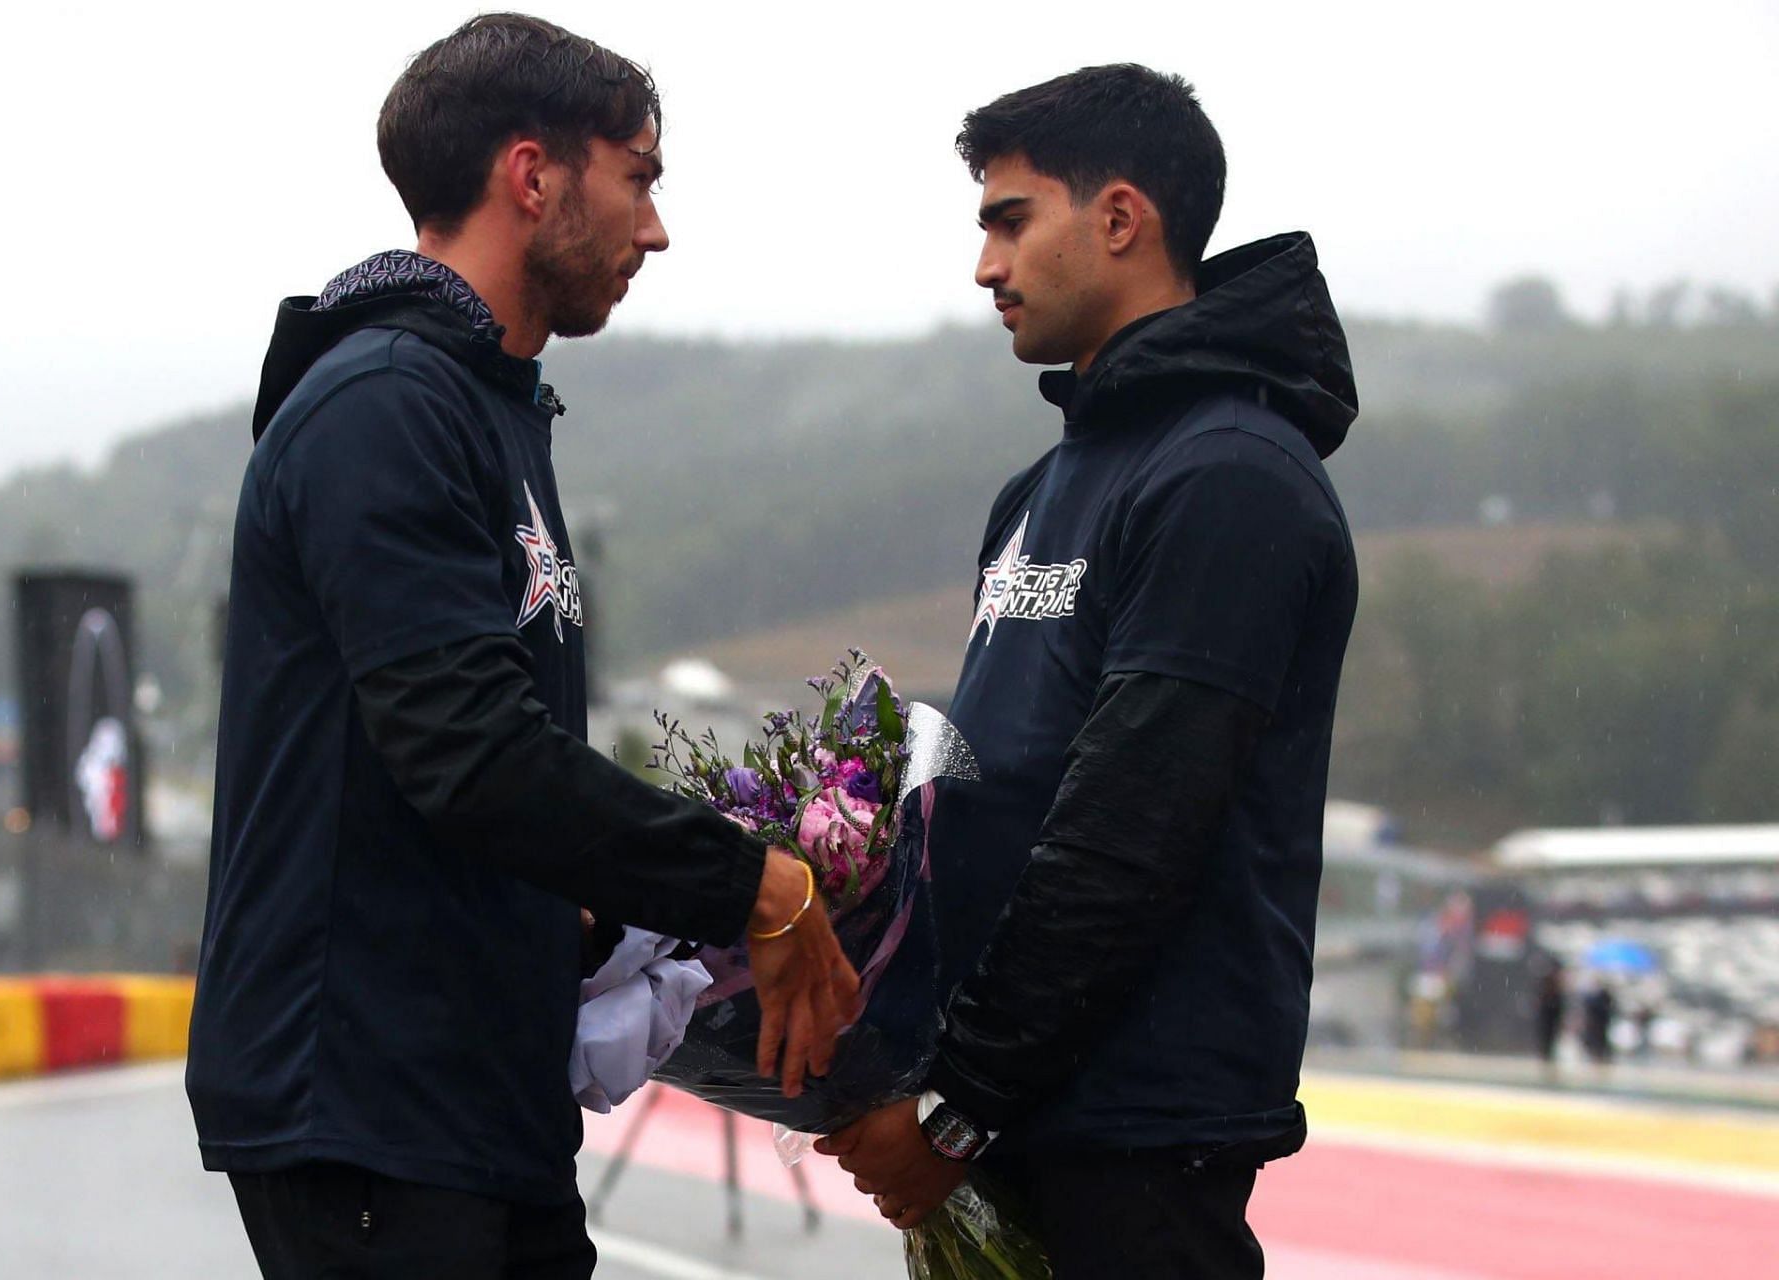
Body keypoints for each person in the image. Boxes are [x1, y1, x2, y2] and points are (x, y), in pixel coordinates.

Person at [185, 15, 856, 1279]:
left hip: (480, 1095)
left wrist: (611, 920)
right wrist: (749, 883)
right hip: (371, 1097)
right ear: (534, 174)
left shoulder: (491, 411)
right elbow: (472, 753)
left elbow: (470, 775)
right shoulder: (385, 403)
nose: (655, 229)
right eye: (641, 177)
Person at [818, 65, 1359, 1278]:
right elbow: (988, 793)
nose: (986, 267)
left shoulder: (1230, 475)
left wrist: (958, 1099)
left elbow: (1130, 830)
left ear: (1120, 218)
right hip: (1012, 1117)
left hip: (1139, 1138)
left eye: (1010, 221)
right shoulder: (1041, 490)